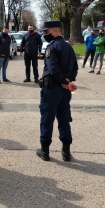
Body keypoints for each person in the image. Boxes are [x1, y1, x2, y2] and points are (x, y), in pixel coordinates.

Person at [36, 20, 78, 162]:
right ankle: (66, 152)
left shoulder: (51, 47)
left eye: (46, 32)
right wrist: (68, 82)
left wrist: (64, 82)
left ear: (55, 31)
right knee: (64, 118)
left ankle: (44, 151)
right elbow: (75, 68)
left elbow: (53, 70)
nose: (44, 35)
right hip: (64, 90)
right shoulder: (68, 47)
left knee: (47, 119)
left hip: (52, 89)